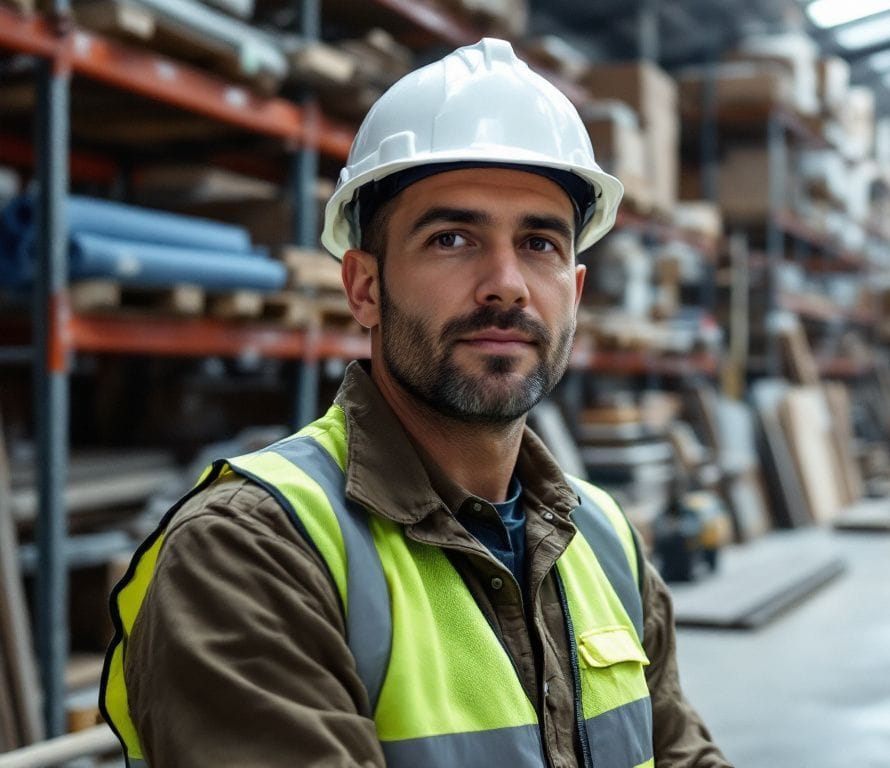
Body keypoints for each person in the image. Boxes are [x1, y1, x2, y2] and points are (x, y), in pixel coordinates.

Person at [101, 39, 730, 768]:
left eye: (539, 243)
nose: (506, 284)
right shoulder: (251, 551)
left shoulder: (605, 540)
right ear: (364, 287)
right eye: (452, 238)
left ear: (576, 294)